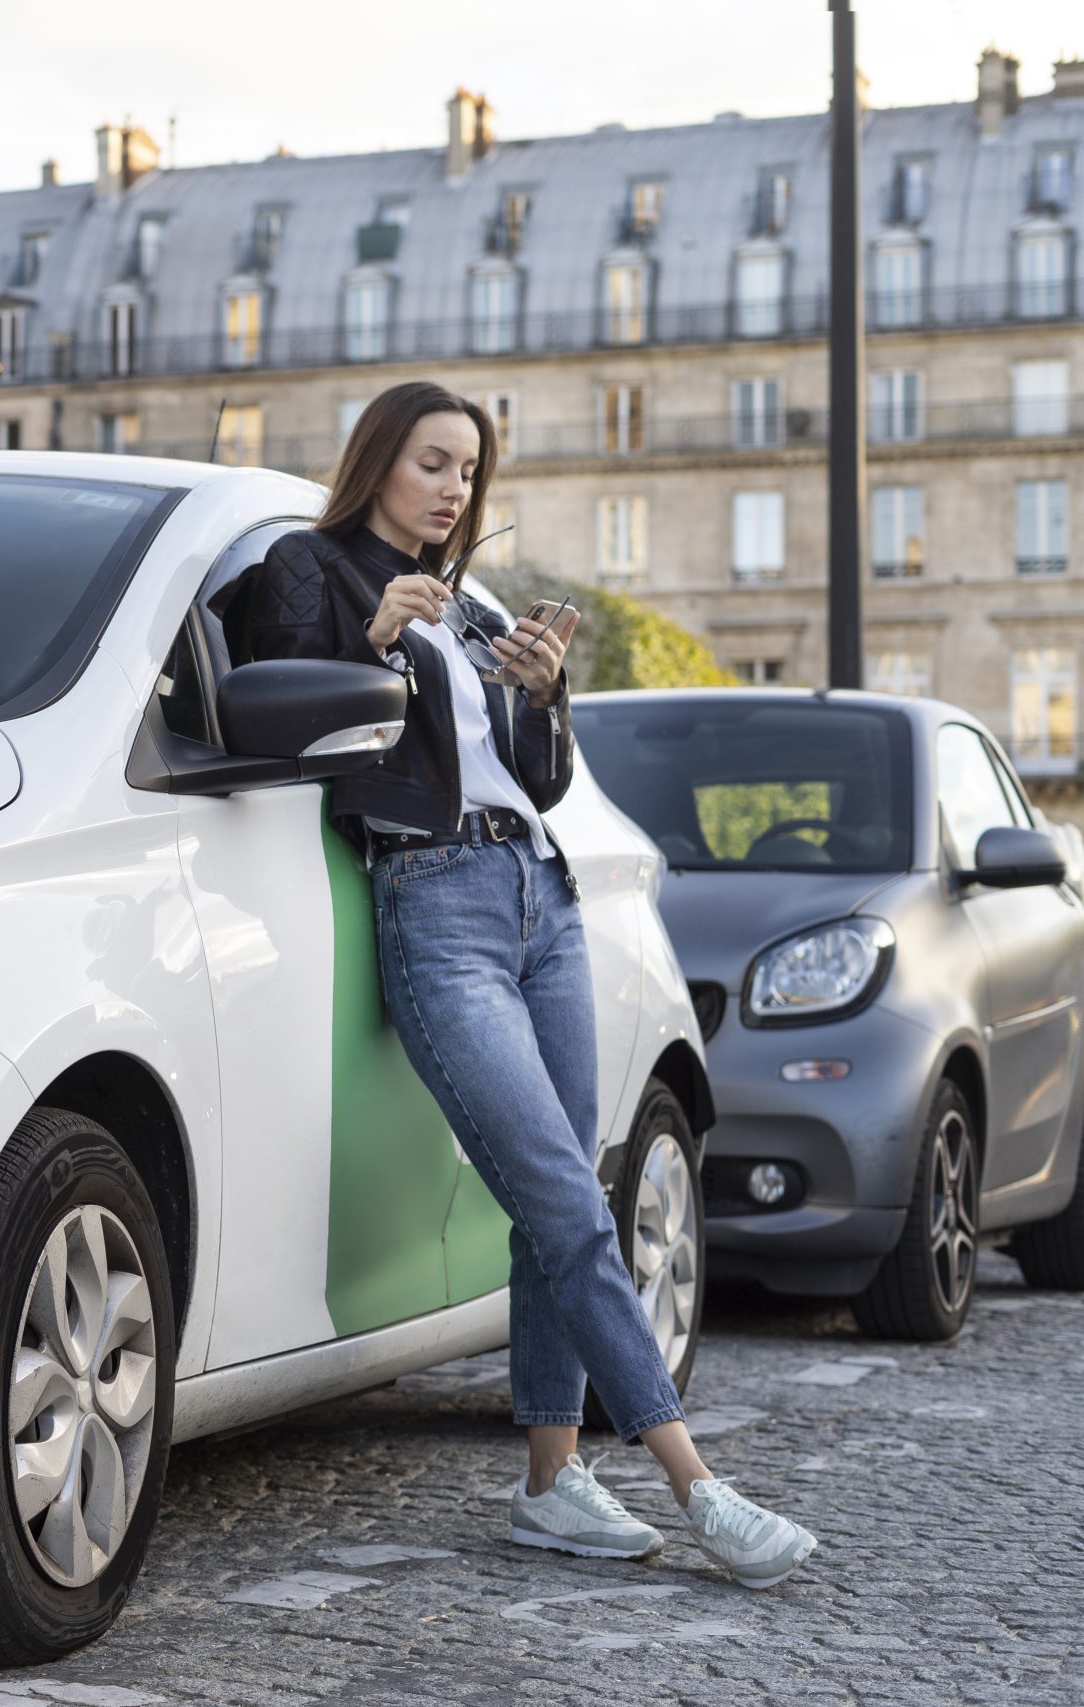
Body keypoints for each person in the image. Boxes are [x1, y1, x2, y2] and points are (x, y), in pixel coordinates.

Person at [220, 379, 817, 1590]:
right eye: (432, 463)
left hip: (540, 900)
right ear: (379, 460)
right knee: (561, 1203)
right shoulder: (313, 568)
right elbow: (275, 707)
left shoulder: (465, 608)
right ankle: (696, 1485)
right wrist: (372, 639)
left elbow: (531, 784)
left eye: (465, 472)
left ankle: (552, 1483)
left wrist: (540, 691)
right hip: (432, 906)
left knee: (565, 1200)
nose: (451, 490)